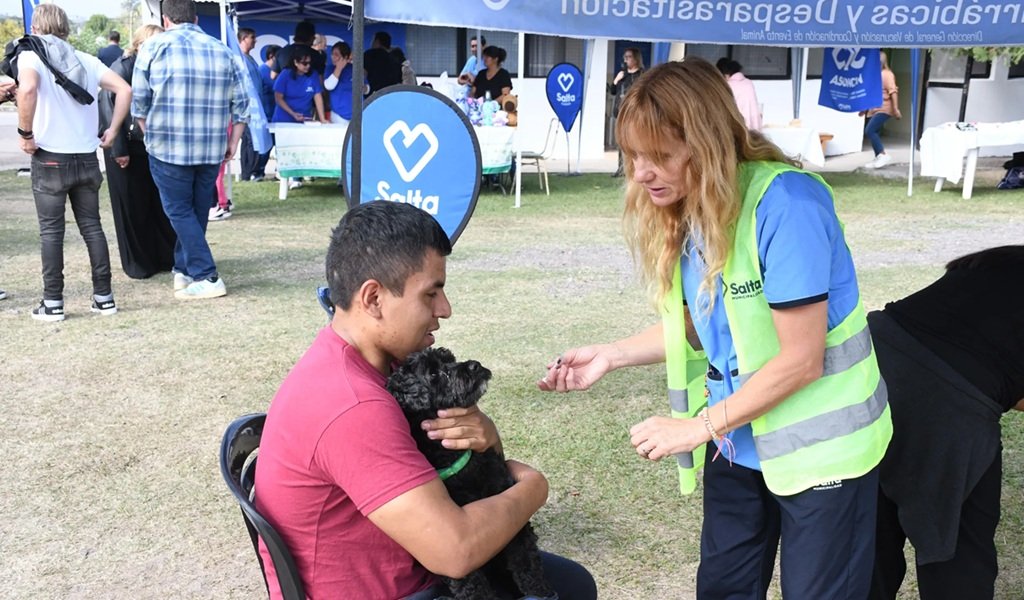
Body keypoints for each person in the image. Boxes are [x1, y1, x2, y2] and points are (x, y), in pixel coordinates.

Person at [538, 59, 892, 599]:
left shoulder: (786, 205)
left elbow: (801, 358)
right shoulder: (693, 212)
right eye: (634, 155)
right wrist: (611, 354)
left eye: (659, 155)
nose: (640, 173)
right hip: (740, 441)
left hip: (824, 453)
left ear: (706, 142)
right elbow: (710, 330)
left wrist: (699, 427)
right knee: (724, 587)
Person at [255, 200, 597, 600]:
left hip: (416, 565)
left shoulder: (366, 365)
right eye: (431, 294)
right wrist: (534, 488)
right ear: (373, 299)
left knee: (572, 584)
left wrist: (485, 434)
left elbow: (469, 469)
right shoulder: (353, 406)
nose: (445, 310)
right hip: (411, 586)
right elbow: (457, 550)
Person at [867, 245, 1024, 600]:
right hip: (948, 401)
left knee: (870, 541)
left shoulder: (1001, 259)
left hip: (869, 363)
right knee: (958, 554)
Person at [17, 3, 132, 321]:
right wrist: (113, 129)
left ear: (36, 28)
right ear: (66, 28)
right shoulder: (87, 60)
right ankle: (104, 297)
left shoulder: (31, 56)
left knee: (51, 232)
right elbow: (124, 89)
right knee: (92, 228)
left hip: (50, 157)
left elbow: (27, 89)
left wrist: (25, 133)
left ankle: (53, 302)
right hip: (86, 157)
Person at [131, 0, 249, 300]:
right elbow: (242, 105)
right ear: (195, 17)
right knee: (196, 211)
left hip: (167, 146)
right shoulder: (222, 50)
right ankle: (183, 269)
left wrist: (150, 137)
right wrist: (233, 141)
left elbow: (139, 104)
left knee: (179, 211)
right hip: (211, 146)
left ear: (165, 18)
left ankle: (206, 275)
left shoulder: (153, 48)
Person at [99, 24, 176, 280]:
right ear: (140, 44)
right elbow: (110, 111)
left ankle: (164, 257)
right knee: (131, 207)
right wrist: (118, 149)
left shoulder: (154, 67)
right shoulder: (121, 68)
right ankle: (138, 263)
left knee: (156, 204)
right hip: (126, 148)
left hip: (149, 147)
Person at [607, 47, 644, 177]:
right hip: (620, 112)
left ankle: (634, 168)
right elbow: (612, 91)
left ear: (636, 59)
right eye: (625, 57)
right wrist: (616, 80)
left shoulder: (641, 74)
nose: (626, 60)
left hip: (634, 113)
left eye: (629, 57)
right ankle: (621, 168)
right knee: (621, 142)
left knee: (634, 141)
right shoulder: (622, 74)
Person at [862, 50, 901, 169]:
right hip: (875, 109)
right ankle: (878, 157)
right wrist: (864, 109)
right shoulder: (876, 75)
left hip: (884, 108)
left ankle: (883, 154)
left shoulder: (886, 74)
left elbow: (893, 92)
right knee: (875, 132)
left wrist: (895, 109)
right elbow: (872, 94)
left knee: (870, 130)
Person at [237, 27, 265, 184]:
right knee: (248, 140)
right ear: (243, 38)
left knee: (253, 140)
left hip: (256, 107)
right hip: (246, 107)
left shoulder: (250, 58)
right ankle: (246, 173)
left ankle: (251, 171)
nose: (255, 40)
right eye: (252, 37)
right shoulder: (239, 59)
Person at [272, 45, 326, 124]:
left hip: (304, 119)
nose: (308, 66)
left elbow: (317, 96)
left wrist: (322, 119)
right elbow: (278, 98)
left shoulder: (313, 74)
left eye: (309, 63)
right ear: (295, 62)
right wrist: (293, 113)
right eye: (304, 63)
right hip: (283, 120)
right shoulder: (285, 74)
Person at [716, 57, 762, 132]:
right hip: (755, 128)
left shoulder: (729, 85)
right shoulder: (748, 83)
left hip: (739, 128)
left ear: (726, 75)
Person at [324, 41, 356, 125]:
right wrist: (339, 68)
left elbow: (367, 87)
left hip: (357, 114)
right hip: (338, 115)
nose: (333, 57)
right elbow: (328, 86)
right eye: (332, 54)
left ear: (345, 57)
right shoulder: (330, 69)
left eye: (336, 55)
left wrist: (364, 88)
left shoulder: (354, 69)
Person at [364, 30, 402, 94]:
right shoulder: (395, 58)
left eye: (373, 40)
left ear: (377, 41)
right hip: (391, 94)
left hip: (373, 95)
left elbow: (362, 73)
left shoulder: (369, 55)